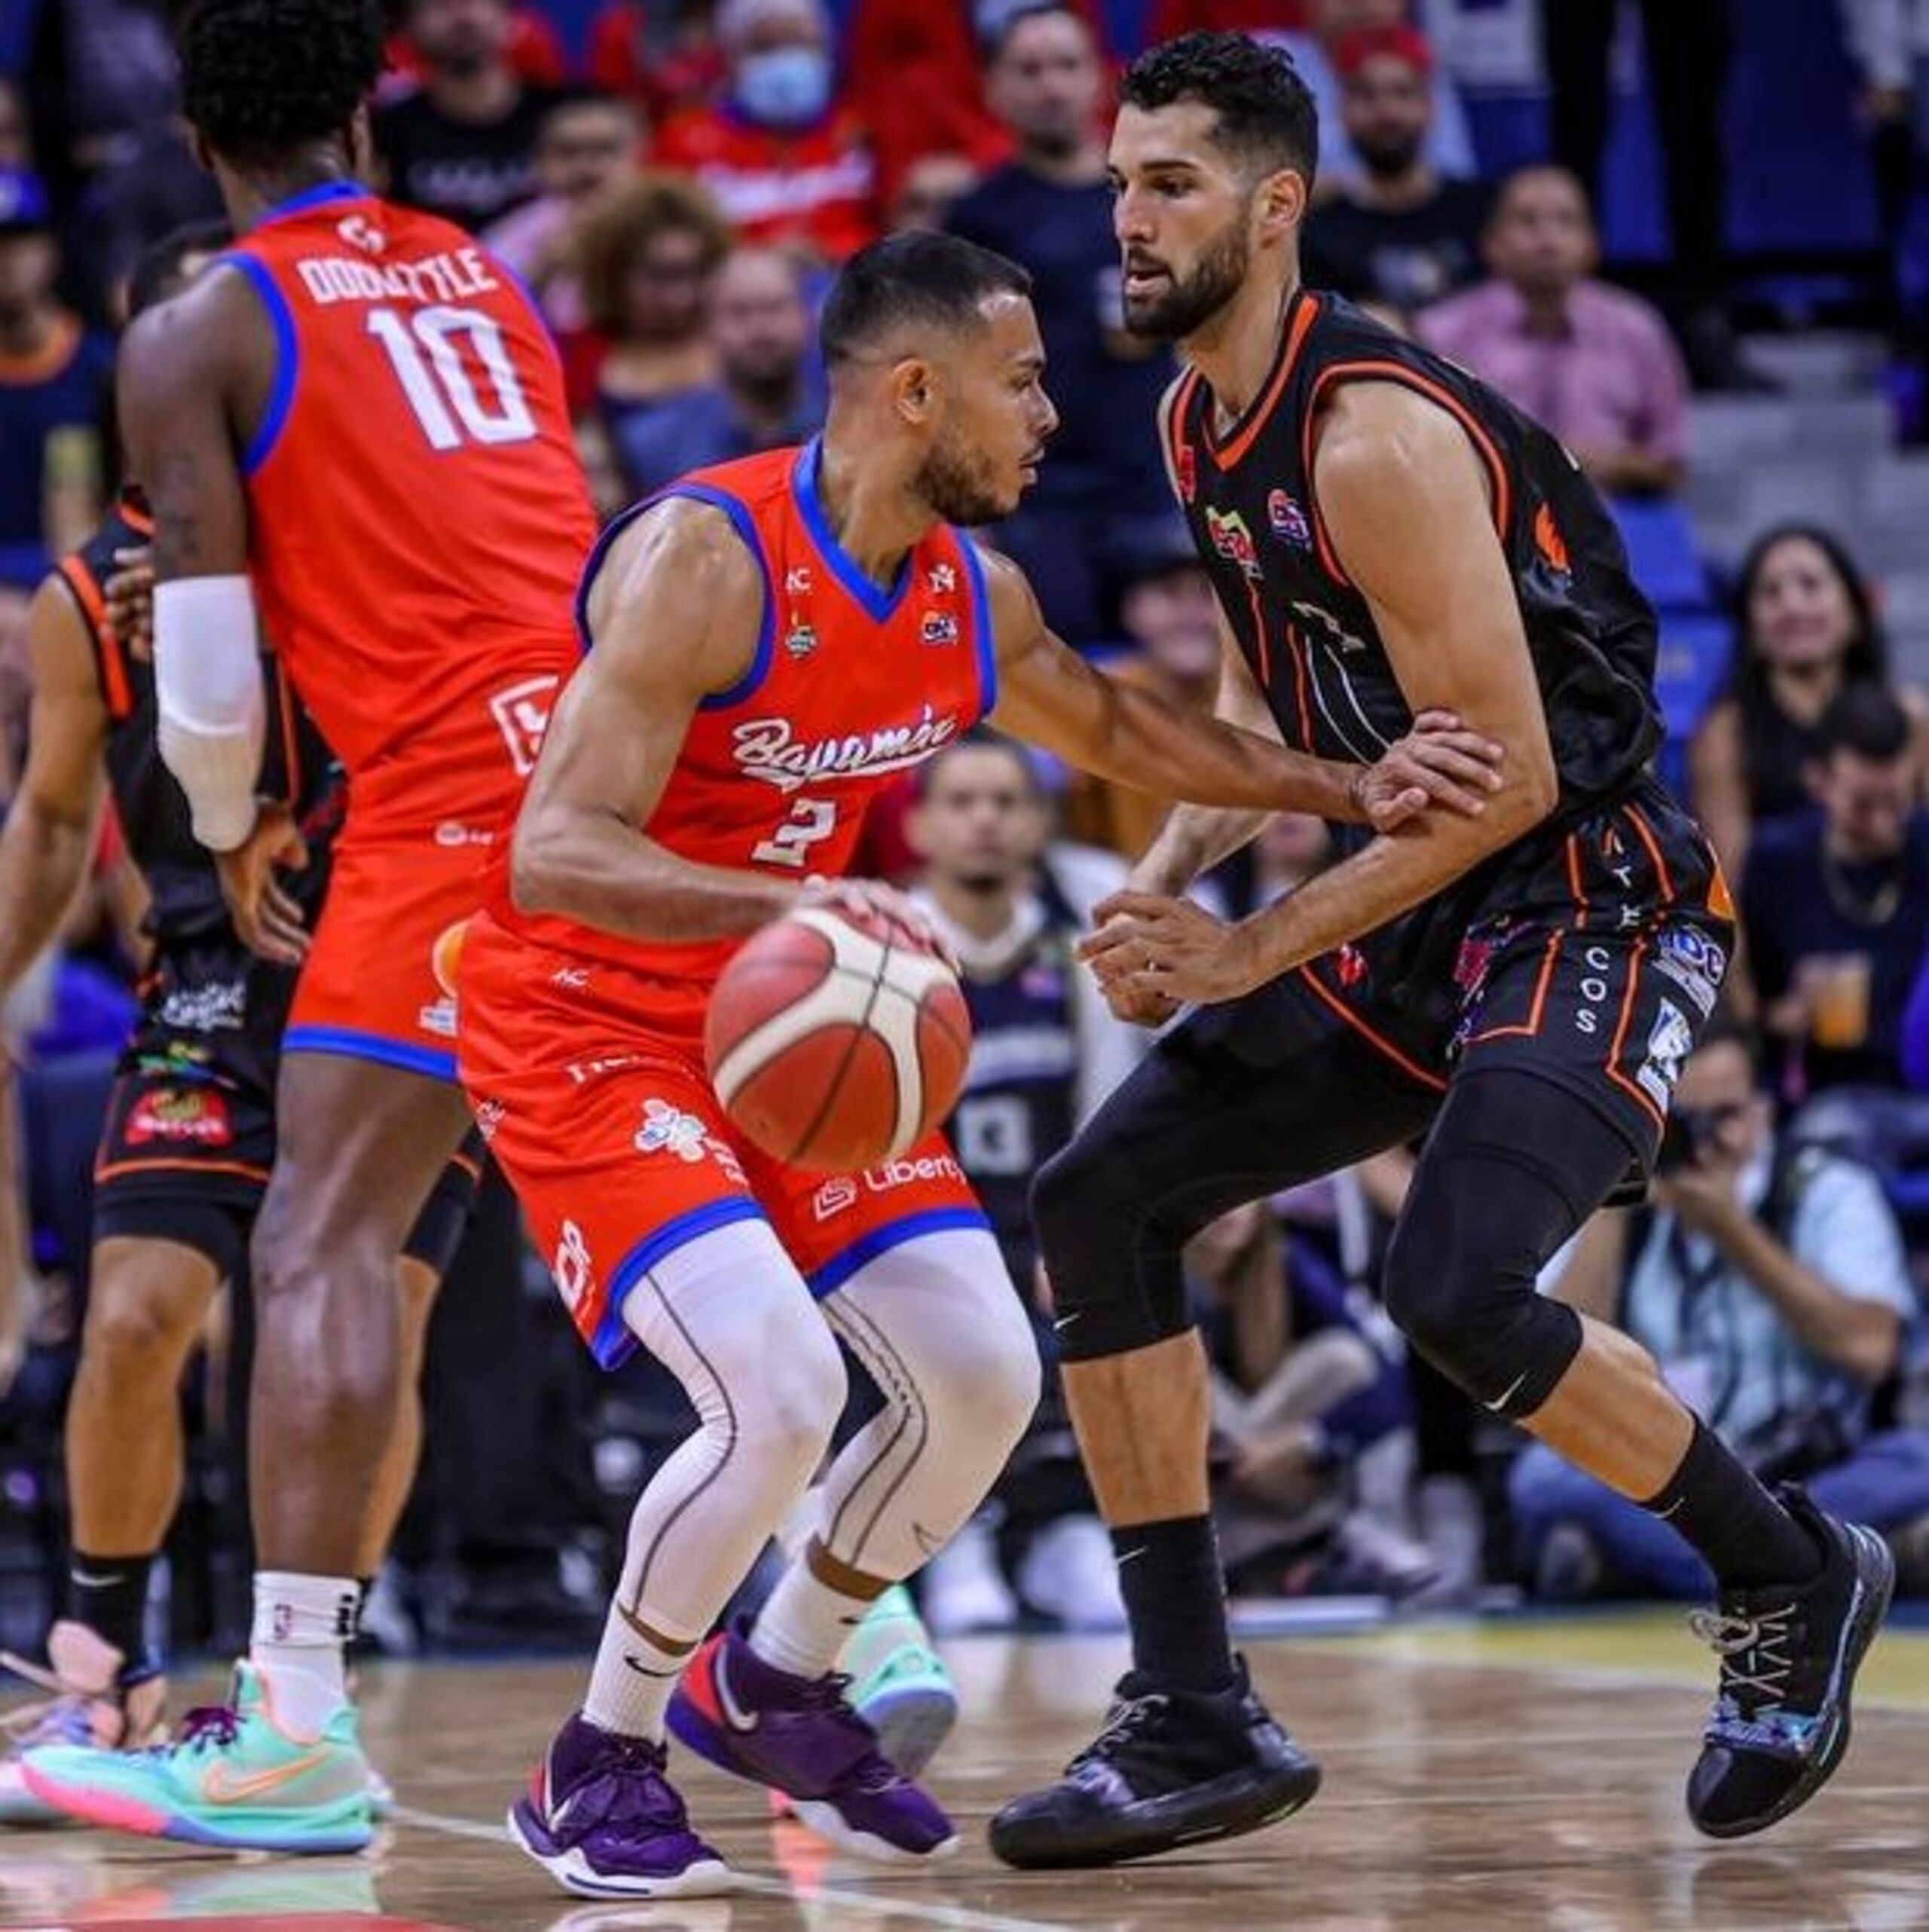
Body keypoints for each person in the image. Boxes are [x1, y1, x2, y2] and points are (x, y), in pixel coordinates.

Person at [455, 226, 1506, 1898]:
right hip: (586, 1021)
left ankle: (780, 1674)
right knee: (782, 1393)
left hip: (782, 1020)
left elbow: (1125, 733)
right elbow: (550, 853)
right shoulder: (701, 557)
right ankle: (597, 1759)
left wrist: (1352, 782)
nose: (1047, 415)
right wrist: (801, 896)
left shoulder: (969, 589)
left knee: (981, 1371)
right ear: (914, 389)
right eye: (1019, 382)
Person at [989, 32, 1895, 1870]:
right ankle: (1189, 1711)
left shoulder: (1373, 438)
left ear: (1274, 204)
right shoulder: (1191, 421)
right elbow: (1271, 687)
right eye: (1114, 183)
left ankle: (1788, 1569)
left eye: (1165, 184)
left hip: (1586, 891)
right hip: (1415, 895)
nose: (1127, 220)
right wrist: (1163, 875)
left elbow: (1507, 785)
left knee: (1456, 1284)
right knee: (1099, 1202)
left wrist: (1237, 954)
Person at [17, 0, 596, 1854]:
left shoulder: (197, 327)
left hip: (424, 813)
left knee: (327, 1246)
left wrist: (237, 810)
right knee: (679, 1203)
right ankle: (844, 1603)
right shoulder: (483, 280)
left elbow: (199, 695)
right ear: (371, 101)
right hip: (592, 763)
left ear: (194, 136)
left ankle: (285, 1725)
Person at [0, 223, 482, 1820]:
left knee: (371, 1325)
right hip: (213, 989)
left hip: (401, 968)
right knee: (136, 1315)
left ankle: (306, 1681)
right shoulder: (91, 599)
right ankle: (106, 1649)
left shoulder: (377, 542)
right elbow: (55, 820)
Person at [1512, 1020, 1929, 1600]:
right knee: (1542, 1480)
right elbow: (1546, 1365)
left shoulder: (1824, 1190)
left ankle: (1707, 1567)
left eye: (1726, 1117)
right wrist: (1615, 1199)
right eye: (1685, 1125)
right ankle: (1817, 1564)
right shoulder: (1629, 1211)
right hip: (1673, 1485)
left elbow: (1869, 1350)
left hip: (1810, 1474)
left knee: (1917, 1461)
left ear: (1762, 1110)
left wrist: (1733, 1231)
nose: (1708, 1142)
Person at [946, 3, 1177, 648]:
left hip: (1157, 481)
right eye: (1029, 69)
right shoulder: (977, 217)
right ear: (994, 90)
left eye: (1066, 65)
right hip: (1043, 494)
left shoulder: (1157, 194)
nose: (1050, 84)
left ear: (1101, 77)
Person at [1415, 166, 1690, 502]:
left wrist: (1613, 464)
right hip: (1483, 521)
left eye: (1566, 221)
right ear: (1491, 245)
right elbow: (1420, 457)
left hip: (1614, 523)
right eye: (1527, 221)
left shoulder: (1637, 329)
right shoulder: (1442, 333)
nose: (1547, 238)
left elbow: (1671, 465)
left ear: (1593, 245)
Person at [1691, 524, 1929, 888]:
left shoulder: (1910, 717)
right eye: (1771, 592)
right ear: (1750, 628)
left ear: (1853, 612)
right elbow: (1730, 889)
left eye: (1810, 585)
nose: (1793, 605)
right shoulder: (1724, 735)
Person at [1741, 681, 1929, 1105]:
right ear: (1818, 782)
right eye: (1862, 806)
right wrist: (1779, 1016)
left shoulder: (1923, 845)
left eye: (1896, 802)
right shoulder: (1779, 860)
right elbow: (1751, 994)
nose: (1882, 823)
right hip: (1826, 1092)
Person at [1301, 24, 1490, 319]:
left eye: (1403, 93)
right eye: (1366, 95)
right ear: (1342, 111)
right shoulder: (1320, 230)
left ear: (1430, 107)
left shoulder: (1481, 212)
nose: (1387, 111)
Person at [372, 0, 558, 232]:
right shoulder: (387, 133)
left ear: (509, 16)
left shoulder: (564, 115)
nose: (463, 18)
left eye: (475, 2)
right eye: (441, 6)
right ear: (407, 28)